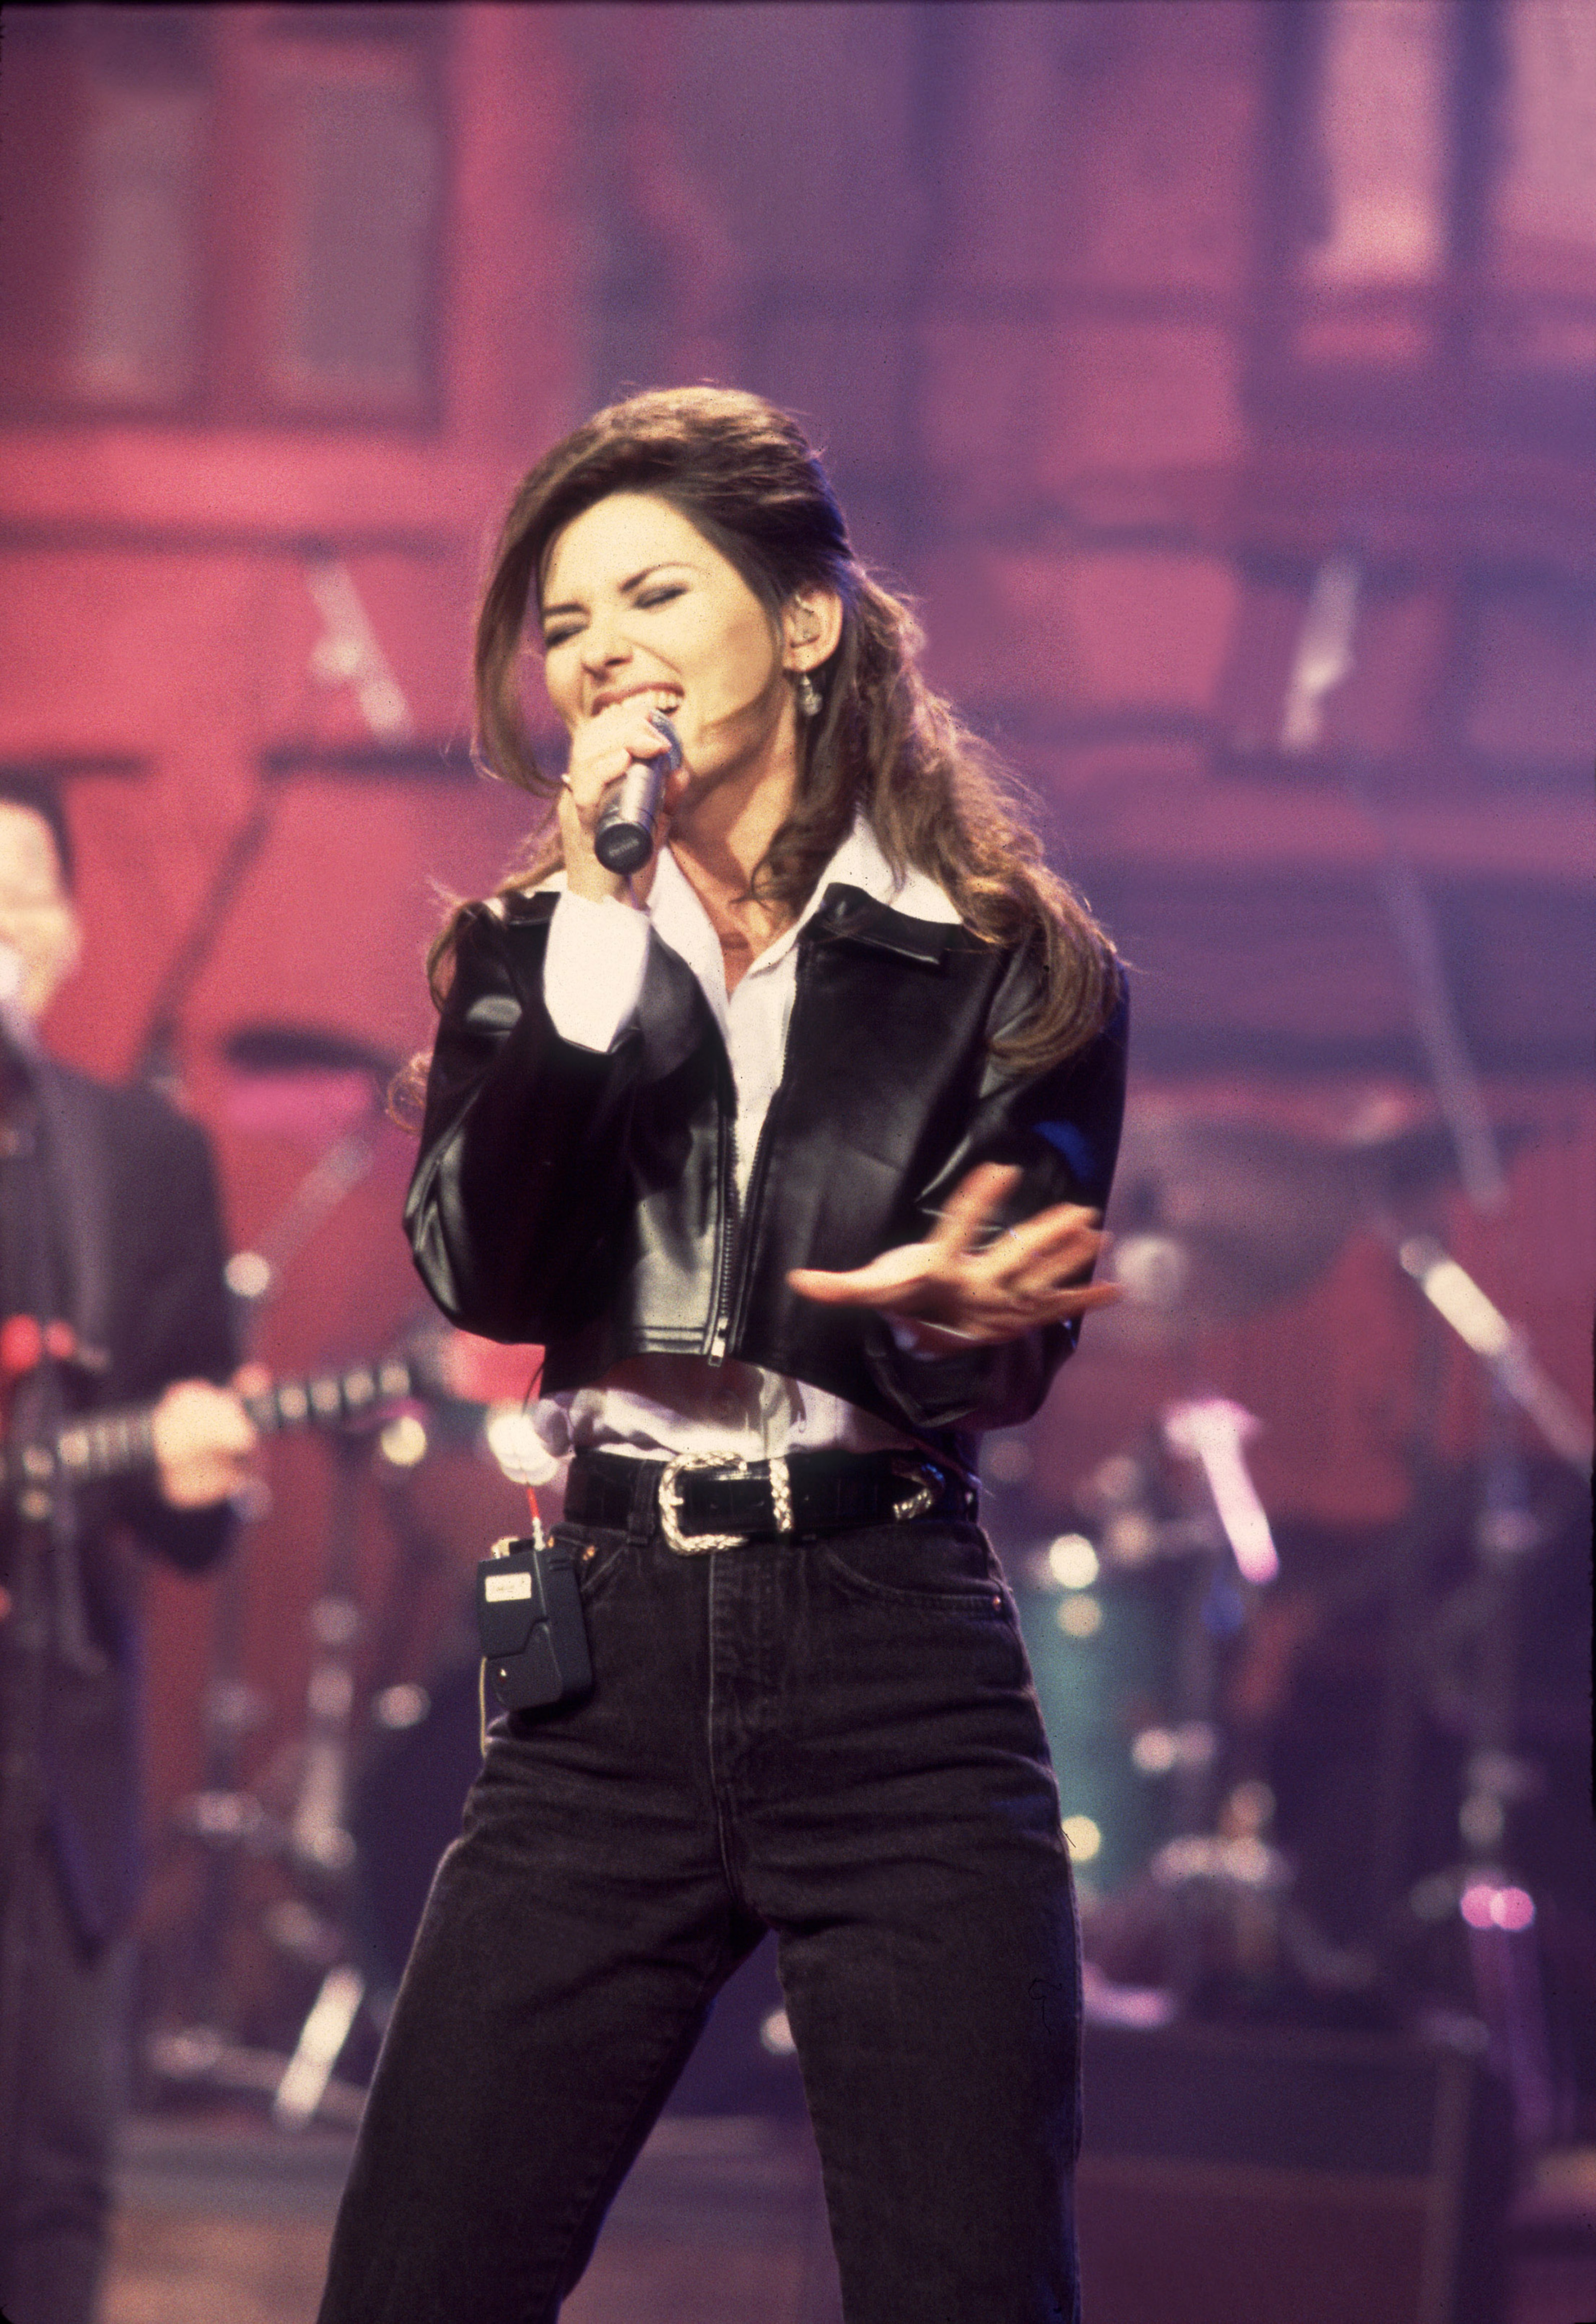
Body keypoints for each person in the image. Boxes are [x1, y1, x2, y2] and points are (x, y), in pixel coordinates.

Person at [318, 387, 1128, 2324]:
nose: (600, 649)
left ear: (807, 618)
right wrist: (597, 921)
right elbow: (492, 1271)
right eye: (564, 621)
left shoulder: (1008, 954)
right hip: (605, 1661)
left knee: (969, 2282)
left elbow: (1001, 1340)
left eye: (651, 592)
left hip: (893, 1657)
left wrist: (965, 1310)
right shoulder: (533, 945)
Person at [0, 775, 260, 2324]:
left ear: (74, 931)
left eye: (22, 889)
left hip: (62, 1731)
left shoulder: (141, 1160)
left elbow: (187, 1518)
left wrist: (200, 1470)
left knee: (54, 2170)